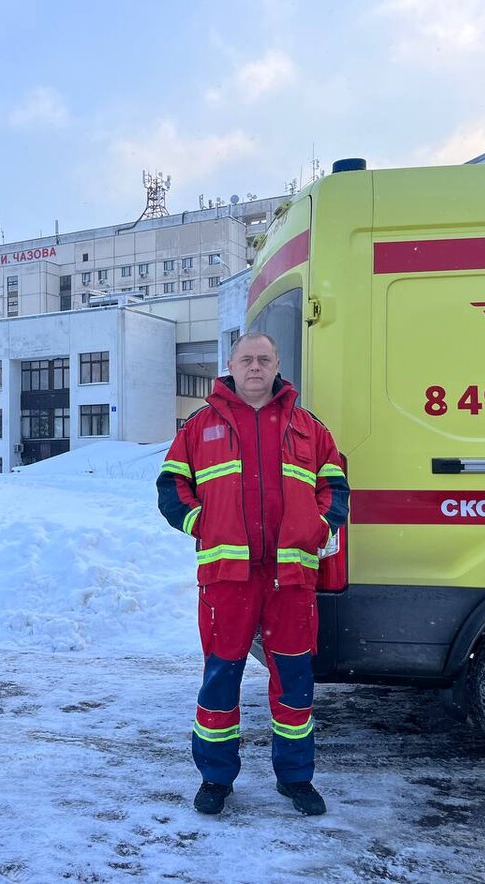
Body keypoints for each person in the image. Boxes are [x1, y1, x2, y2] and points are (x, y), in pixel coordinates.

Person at [156, 332, 349, 817]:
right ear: (232, 365)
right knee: (221, 677)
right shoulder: (201, 425)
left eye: (264, 359)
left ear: (278, 365)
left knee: (295, 678)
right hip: (228, 576)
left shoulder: (309, 426)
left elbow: (336, 487)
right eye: (247, 359)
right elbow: (170, 486)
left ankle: (296, 778)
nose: (256, 367)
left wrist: (318, 526)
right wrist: (201, 522)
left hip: (291, 577)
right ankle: (216, 779)